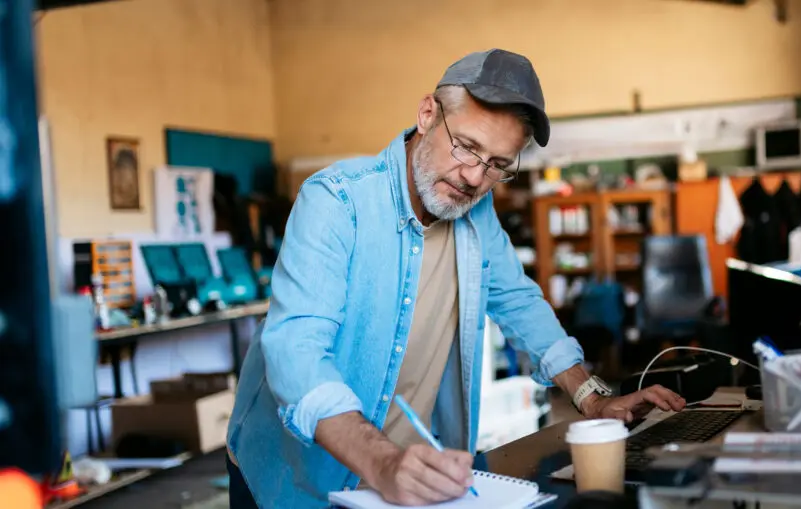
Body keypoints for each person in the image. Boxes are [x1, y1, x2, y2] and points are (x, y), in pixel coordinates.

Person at [225, 49, 687, 508]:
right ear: (427, 114)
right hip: (297, 476)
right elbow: (295, 349)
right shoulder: (337, 201)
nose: (473, 176)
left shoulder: (475, 212)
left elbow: (517, 300)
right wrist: (381, 461)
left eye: (498, 165)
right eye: (466, 146)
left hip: (405, 477)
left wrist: (590, 396)